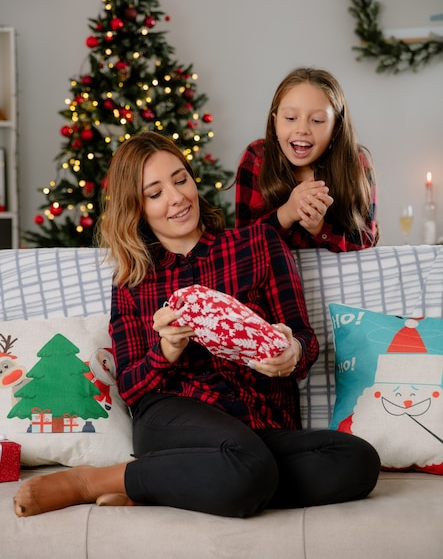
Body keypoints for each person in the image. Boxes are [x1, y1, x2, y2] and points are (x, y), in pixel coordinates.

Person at [13, 132, 380, 519]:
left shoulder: (259, 243)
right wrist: (166, 350)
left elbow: (303, 337)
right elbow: (132, 387)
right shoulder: (135, 280)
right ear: (136, 208)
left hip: (262, 422)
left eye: (180, 179)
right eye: (154, 193)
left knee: (356, 459)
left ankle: (173, 484)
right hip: (175, 415)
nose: (176, 198)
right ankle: (94, 480)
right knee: (248, 466)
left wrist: (293, 352)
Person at [235, 67, 378, 252]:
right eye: (291, 118)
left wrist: (319, 228)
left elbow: (365, 241)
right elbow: (242, 245)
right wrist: (287, 213)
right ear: (275, 122)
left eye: (317, 120)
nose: (302, 129)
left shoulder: (356, 162)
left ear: (336, 127)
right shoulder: (257, 157)